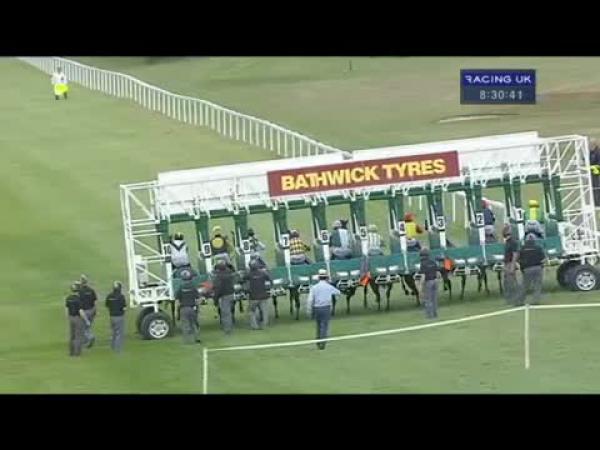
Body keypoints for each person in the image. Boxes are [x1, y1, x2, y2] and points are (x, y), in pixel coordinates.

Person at [306, 269, 341, 350]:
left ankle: (318, 341)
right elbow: (338, 292)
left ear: (318, 278)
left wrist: (309, 309)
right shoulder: (329, 286)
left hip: (317, 308)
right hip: (326, 307)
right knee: (324, 326)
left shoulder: (314, 287)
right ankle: (322, 343)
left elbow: (310, 300)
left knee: (318, 325)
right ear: (326, 278)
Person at [517, 234, 546, 305]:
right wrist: (542, 266)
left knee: (524, 286)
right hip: (537, 268)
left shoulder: (522, 248)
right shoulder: (538, 248)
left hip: (527, 269)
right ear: (534, 240)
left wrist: (522, 267)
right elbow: (544, 259)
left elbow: (518, 259)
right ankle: (535, 301)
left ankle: (520, 301)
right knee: (537, 286)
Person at [243, 259, 272, 330]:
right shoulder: (263, 273)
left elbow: (242, 279)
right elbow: (269, 278)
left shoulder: (249, 274)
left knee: (251, 311)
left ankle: (254, 326)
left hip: (253, 297)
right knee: (264, 311)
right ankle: (264, 325)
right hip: (263, 296)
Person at [175, 269, 201, 344]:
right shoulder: (193, 286)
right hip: (192, 308)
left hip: (183, 308)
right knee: (194, 324)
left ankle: (187, 341)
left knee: (185, 325)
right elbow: (198, 298)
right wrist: (198, 307)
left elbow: (177, 300)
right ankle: (196, 339)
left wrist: (176, 311)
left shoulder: (180, 287)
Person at [212, 260, 236, 334]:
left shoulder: (218, 276)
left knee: (226, 313)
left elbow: (217, 289)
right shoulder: (230, 272)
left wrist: (215, 300)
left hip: (224, 296)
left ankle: (227, 330)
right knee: (230, 311)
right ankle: (230, 325)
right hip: (231, 294)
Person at [65, 283, 89, 357]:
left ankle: (71, 352)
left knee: (72, 336)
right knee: (78, 336)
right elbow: (81, 311)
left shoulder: (68, 298)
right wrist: (86, 320)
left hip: (71, 317)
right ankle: (77, 353)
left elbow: (66, 309)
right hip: (77, 318)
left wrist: (68, 317)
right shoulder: (78, 299)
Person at [417, 248, 441, 319]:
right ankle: (435, 314)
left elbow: (423, 276)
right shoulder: (433, 262)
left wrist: (420, 287)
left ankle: (430, 316)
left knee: (428, 299)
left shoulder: (422, 264)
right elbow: (438, 274)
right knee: (434, 299)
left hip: (428, 282)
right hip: (435, 281)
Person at [105, 281, 127, 353]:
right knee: (119, 333)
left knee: (114, 332)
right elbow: (124, 307)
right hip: (119, 316)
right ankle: (118, 349)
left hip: (112, 316)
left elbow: (107, 305)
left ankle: (113, 346)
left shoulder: (109, 296)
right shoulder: (121, 296)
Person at [502, 225, 521, 305]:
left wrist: (512, 266)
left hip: (510, 264)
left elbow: (515, 254)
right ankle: (511, 299)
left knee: (512, 283)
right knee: (508, 282)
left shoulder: (512, 242)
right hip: (507, 264)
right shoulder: (508, 242)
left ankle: (516, 299)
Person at [79, 275, 98, 348]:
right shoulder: (91, 290)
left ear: (81, 282)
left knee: (82, 328)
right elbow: (95, 301)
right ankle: (86, 342)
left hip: (84, 312)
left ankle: (90, 337)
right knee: (87, 327)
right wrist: (95, 311)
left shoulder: (80, 291)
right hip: (92, 310)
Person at [590, 139, 600, 206]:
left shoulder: (598, 152)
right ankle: (595, 202)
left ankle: (598, 202)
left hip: (597, 172)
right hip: (593, 172)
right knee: (593, 187)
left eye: (591, 144)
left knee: (597, 187)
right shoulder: (591, 152)